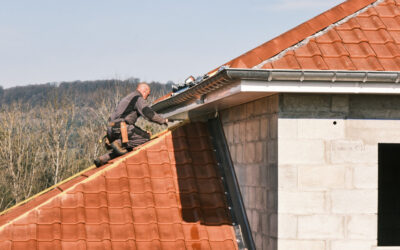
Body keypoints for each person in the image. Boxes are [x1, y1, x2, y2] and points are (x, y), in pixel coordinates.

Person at [94, 83, 168, 167]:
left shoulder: (127, 98)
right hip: (121, 128)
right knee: (145, 138)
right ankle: (119, 143)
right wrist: (164, 120)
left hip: (111, 129)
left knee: (124, 149)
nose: (147, 97)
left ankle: (103, 159)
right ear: (145, 91)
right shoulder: (137, 98)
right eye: (148, 94)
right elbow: (148, 113)